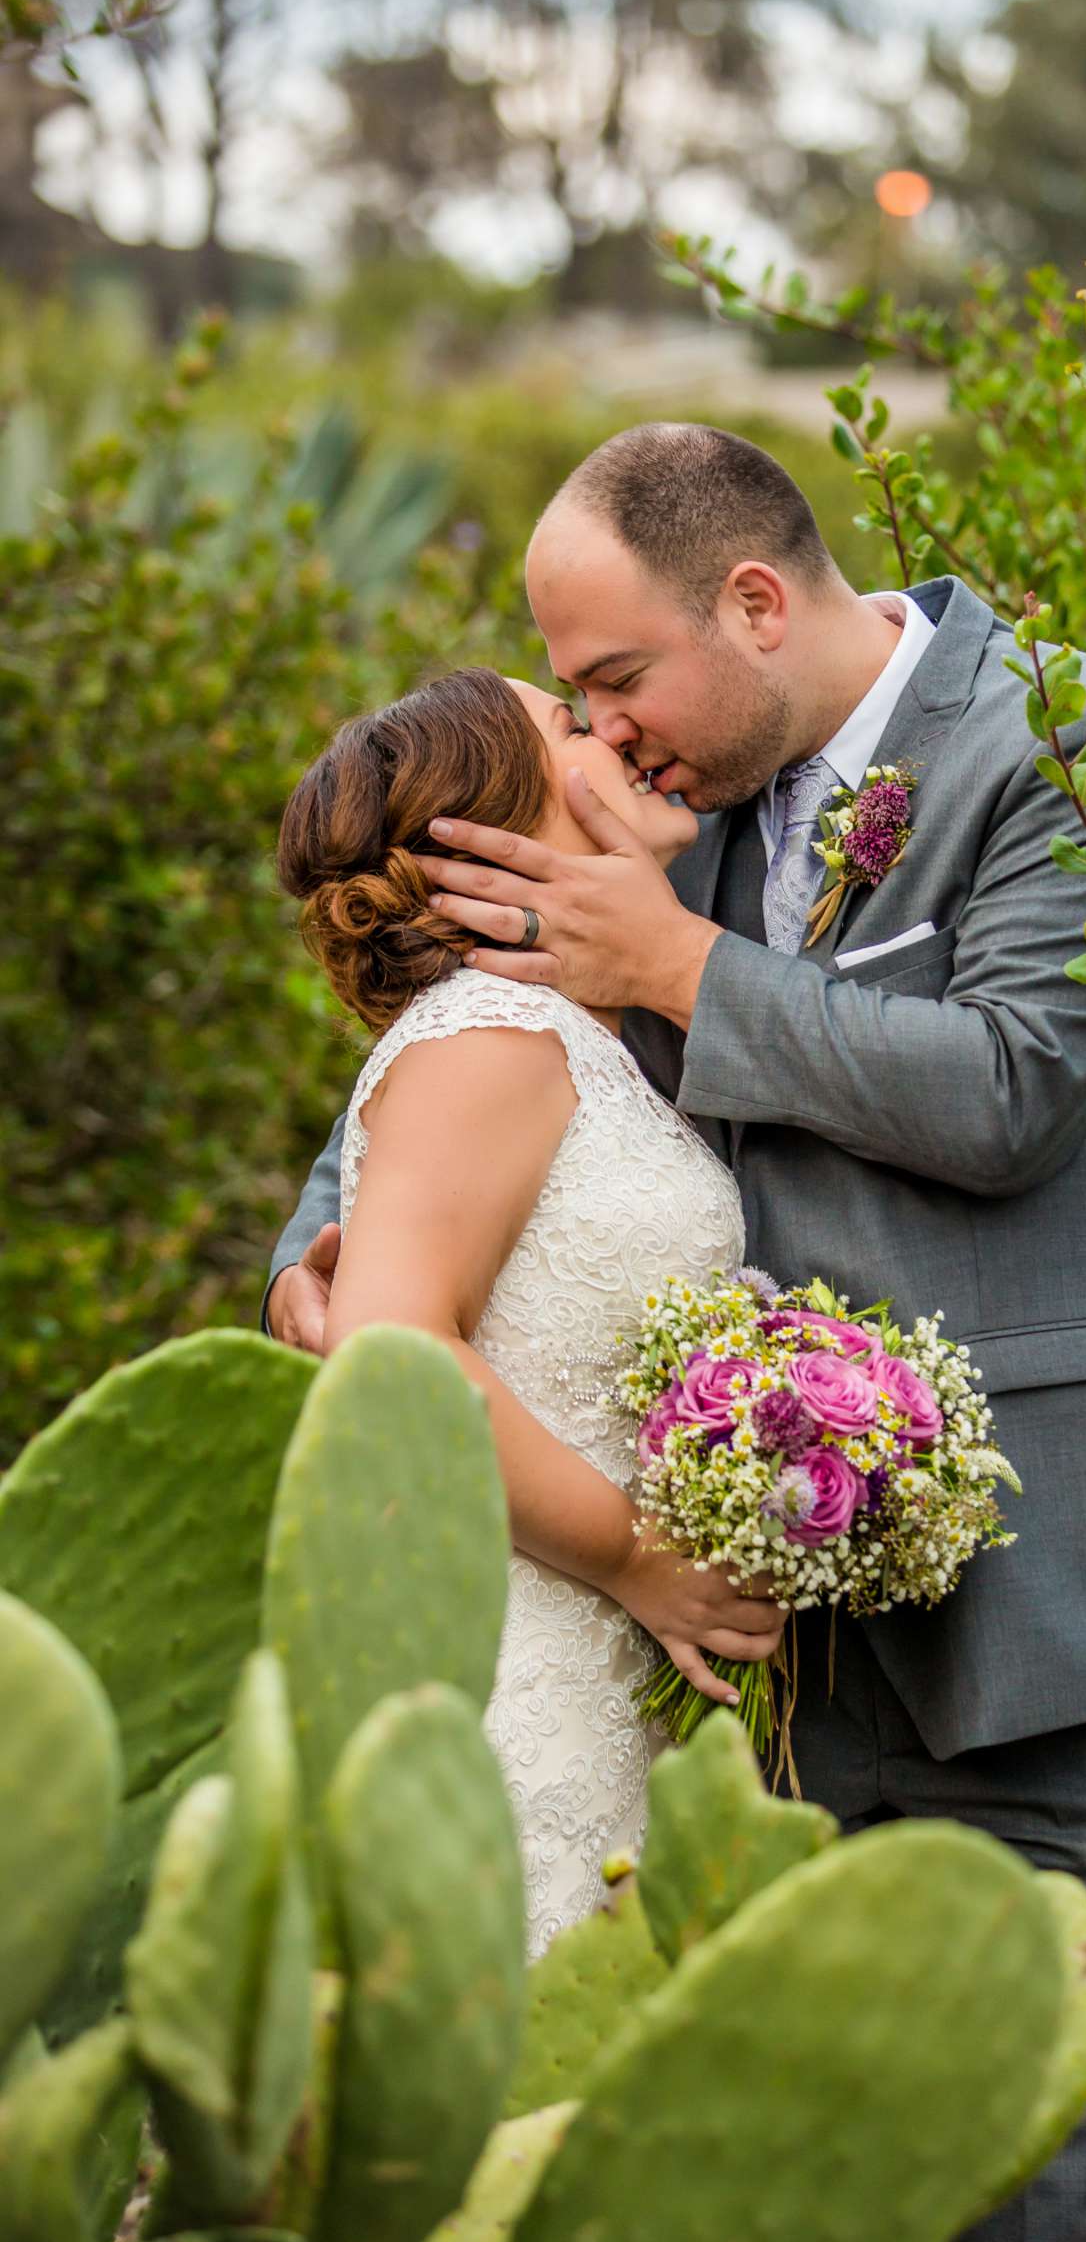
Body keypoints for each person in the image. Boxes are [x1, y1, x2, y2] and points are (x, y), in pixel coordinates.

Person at [267, 425, 1086, 2242]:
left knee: (1046, 2199)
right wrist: (323, 1249)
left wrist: (676, 960)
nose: (596, 731)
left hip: (1053, 1595)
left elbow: (1009, 1090)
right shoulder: (674, 800)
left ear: (750, 600)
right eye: (570, 698)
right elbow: (458, 1061)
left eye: (611, 679)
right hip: (753, 1681)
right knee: (730, 2219)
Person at [274, 663, 777, 1957]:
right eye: (565, 721)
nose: (611, 730)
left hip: (613, 1676)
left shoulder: (569, 1036)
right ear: (486, 834)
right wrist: (635, 1559)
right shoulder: (495, 1038)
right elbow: (393, 1348)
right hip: (535, 1660)